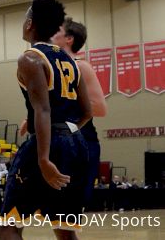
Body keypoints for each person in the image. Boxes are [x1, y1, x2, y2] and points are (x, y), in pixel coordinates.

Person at [0, 0, 91, 240]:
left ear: (30, 24)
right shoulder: (71, 61)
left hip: (48, 145)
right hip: (77, 144)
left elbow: (44, 109)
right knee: (65, 230)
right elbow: (87, 112)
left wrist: (43, 158)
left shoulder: (30, 58)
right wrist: (65, 132)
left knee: (9, 227)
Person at [50, 18, 108, 208]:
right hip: (57, 142)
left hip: (81, 142)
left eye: (57, 30)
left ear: (69, 39)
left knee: (67, 214)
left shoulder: (80, 66)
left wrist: (65, 119)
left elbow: (99, 108)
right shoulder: (51, 67)